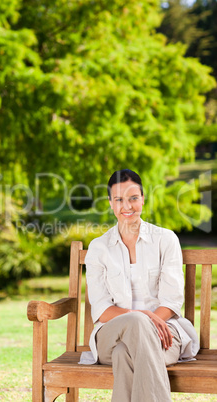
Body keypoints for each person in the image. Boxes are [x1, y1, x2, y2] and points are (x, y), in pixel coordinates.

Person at [79, 169, 199, 402]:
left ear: (143, 198)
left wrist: (150, 320)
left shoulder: (165, 240)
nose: (127, 206)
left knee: (125, 354)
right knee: (135, 321)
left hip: (165, 334)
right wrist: (144, 316)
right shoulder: (99, 248)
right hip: (111, 335)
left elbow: (172, 301)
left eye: (133, 198)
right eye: (119, 200)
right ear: (111, 204)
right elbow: (103, 311)